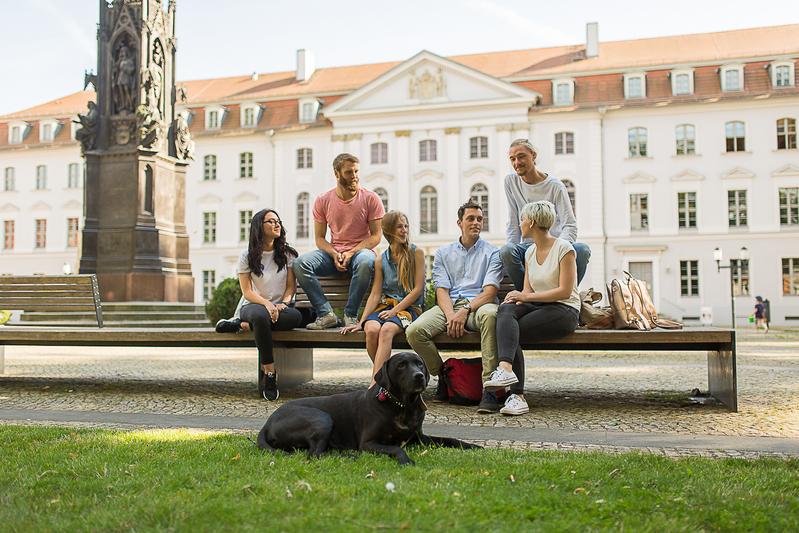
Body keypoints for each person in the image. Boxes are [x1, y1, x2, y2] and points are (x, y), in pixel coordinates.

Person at [405, 201, 504, 413]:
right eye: (471, 218)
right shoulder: (443, 253)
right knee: (414, 331)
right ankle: (444, 376)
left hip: (479, 305)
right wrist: (451, 316)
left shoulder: (493, 253)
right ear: (460, 223)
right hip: (449, 307)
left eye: (479, 219)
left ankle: (490, 388)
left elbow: (489, 292)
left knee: (491, 316)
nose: (476, 222)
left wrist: (465, 310)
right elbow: (441, 289)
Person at [484, 201, 580, 415]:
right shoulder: (529, 253)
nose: (521, 223)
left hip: (564, 311)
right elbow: (527, 289)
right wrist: (516, 297)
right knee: (506, 311)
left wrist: (525, 295)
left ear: (533, 222)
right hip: (538, 306)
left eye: (523, 219)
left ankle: (517, 395)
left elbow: (565, 291)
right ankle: (506, 370)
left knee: (511, 332)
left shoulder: (565, 249)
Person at [293, 153, 385, 329]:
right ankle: (326, 314)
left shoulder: (370, 198)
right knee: (300, 263)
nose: (355, 176)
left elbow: (376, 236)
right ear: (337, 174)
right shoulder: (323, 200)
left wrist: (351, 252)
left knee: (366, 261)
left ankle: (350, 315)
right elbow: (319, 239)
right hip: (334, 254)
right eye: (349, 172)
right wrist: (334, 253)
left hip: (360, 254)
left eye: (356, 171)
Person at [341, 211, 425, 384]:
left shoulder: (416, 253)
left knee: (386, 330)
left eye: (406, 226)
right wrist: (361, 322)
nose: (404, 230)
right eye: (399, 226)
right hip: (386, 307)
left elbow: (417, 290)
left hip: (409, 309)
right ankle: (386, 379)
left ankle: (375, 385)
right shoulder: (380, 260)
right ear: (389, 230)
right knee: (371, 330)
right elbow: (375, 294)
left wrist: (395, 310)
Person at [501, 138, 591, 290]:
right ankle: (528, 294)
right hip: (528, 247)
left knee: (582, 250)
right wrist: (512, 249)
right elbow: (513, 222)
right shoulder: (511, 182)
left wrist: (555, 251)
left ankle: (568, 294)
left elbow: (569, 225)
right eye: (512, 159)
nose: (517, 162)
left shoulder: (555, 186)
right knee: (507, 251)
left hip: (554, 245)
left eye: (521, 156)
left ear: (533, 155)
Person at [237, 209, 303, 401]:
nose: (277, 225)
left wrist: (283, 303)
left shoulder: (288, 254)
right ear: (259, 227)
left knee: (296, 317)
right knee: (259, 317)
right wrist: (267, 305)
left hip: (281, 309)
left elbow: (291, 287)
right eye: (271, 221)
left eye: (278, 221)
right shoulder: (247, 256)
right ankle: (270, 372)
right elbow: (247, 292)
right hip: (254, 306)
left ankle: (245, 326)